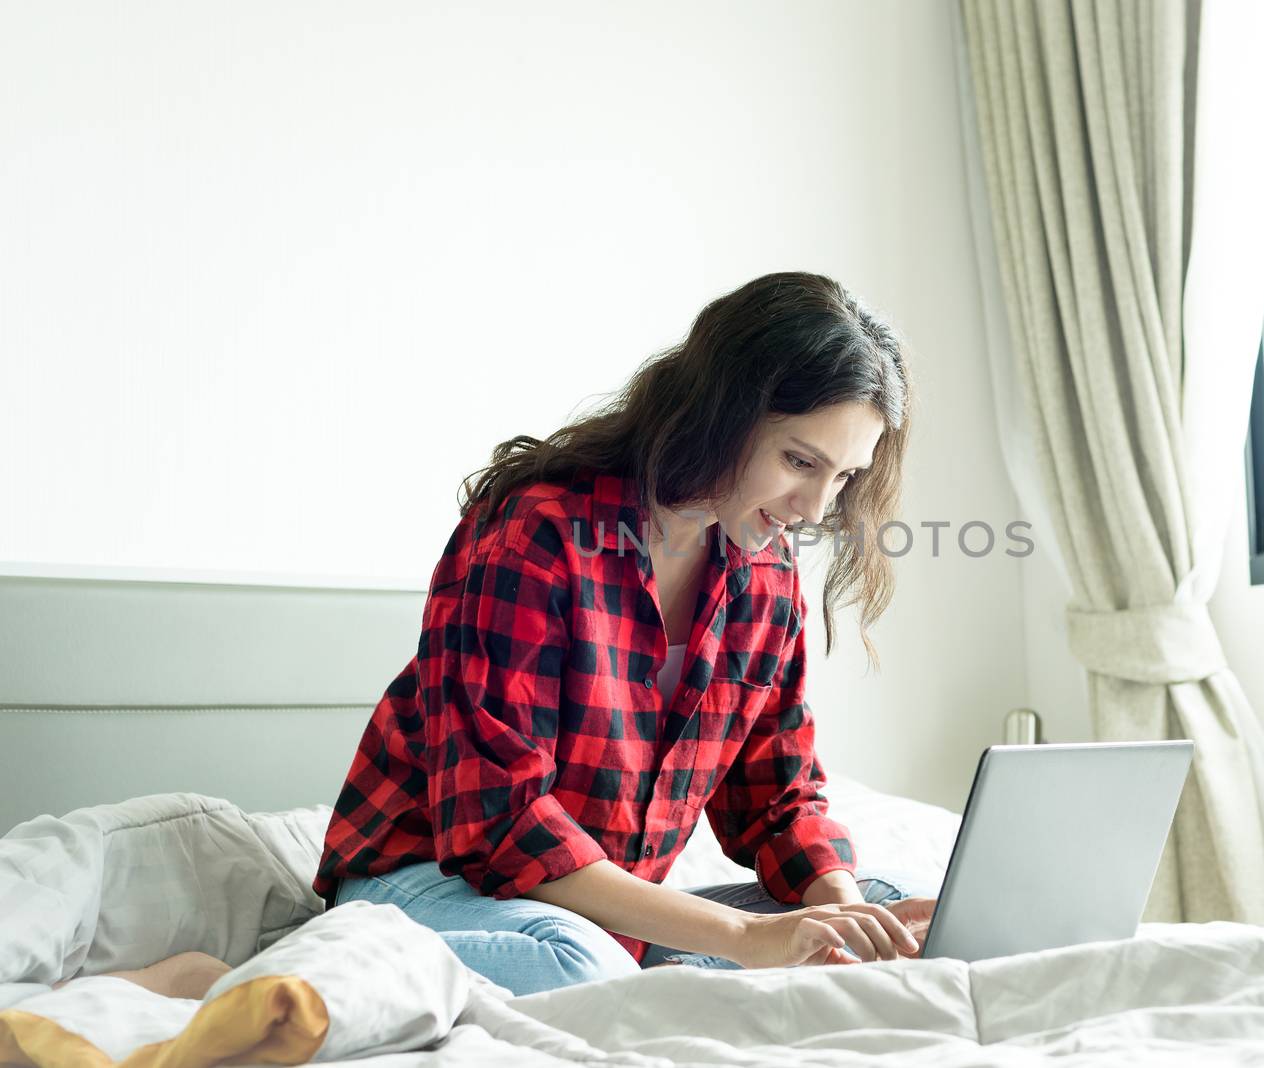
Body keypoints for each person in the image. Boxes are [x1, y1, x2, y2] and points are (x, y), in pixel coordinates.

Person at [312, 271, 938, 996]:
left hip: (596, 916)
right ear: (722, 411)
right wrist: (740, 936)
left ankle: (671, 965)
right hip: (429, 883)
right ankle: (247, 975)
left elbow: (777, 795)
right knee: (582, 965)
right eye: (799, 461)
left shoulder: (763, 574)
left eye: (843, 477)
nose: (813, 506)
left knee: (900, 909)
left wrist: (840, 908)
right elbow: (501, 824)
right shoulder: (538, 535)